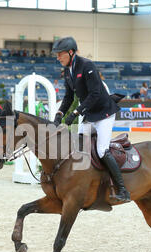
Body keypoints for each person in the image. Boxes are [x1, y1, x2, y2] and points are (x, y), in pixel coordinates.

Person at [51, 36, 131, 203]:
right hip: (89, 114)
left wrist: (76, 113)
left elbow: (95, 94)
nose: (58, 58)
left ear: (71, 52)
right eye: (57, 55)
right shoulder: (68, 71)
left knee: (102, 150)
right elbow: (68, 97)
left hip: (104, 113)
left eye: (60, 54)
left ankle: (122, 189)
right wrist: (59, 114)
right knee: (80, 146)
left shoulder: (86, 66)